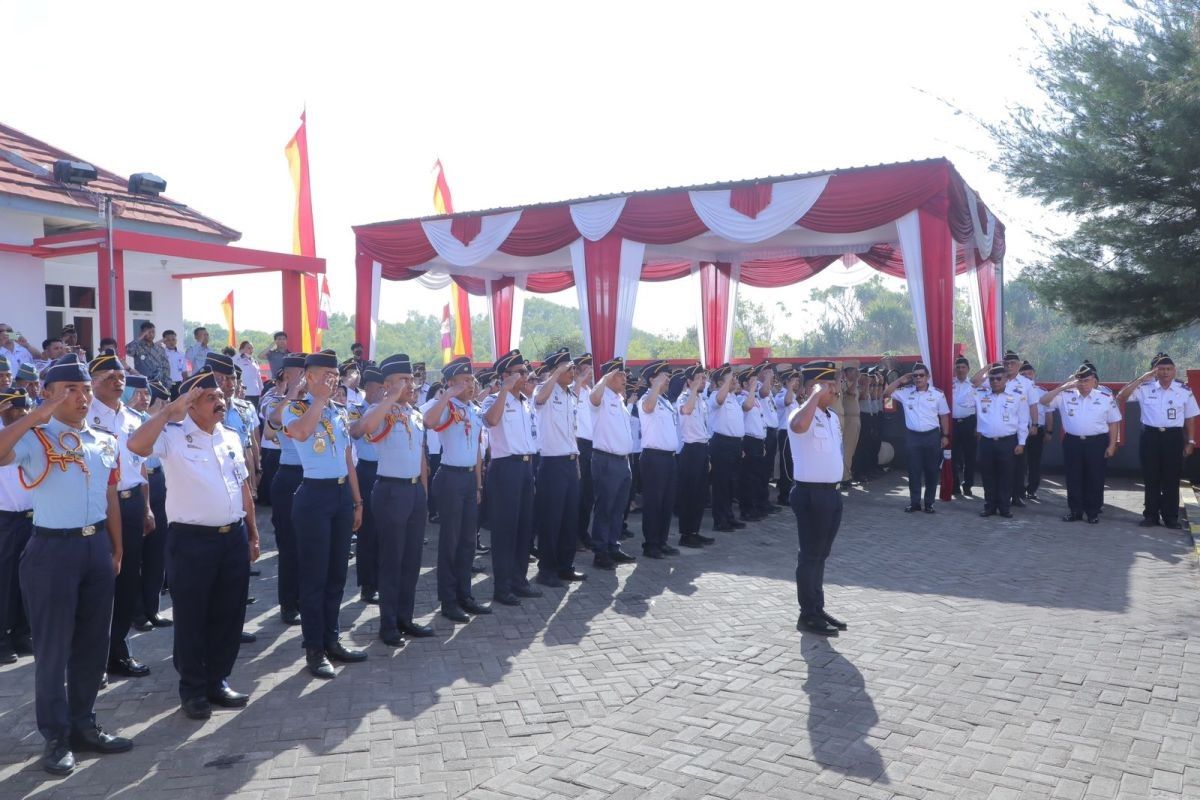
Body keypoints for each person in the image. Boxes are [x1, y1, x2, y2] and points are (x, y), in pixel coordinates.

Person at [0, 354, 133, 775]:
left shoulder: (102, 440)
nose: (82, 397)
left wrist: (116, 548)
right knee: (53, 650)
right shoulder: (34, 438)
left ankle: (83, 723)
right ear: (50, 396)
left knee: (93, 644)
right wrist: (38, 414)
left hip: (94, 549)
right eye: (70, 391)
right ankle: (55, 737)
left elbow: (111, 495)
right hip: (51, 551)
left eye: (85, 390)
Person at [127, 368, 260, 720]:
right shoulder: (171, 436)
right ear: (190, 405)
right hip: (191, 542)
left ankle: (218, 679)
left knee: (229, 614)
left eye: (220, 396)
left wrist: (252, 531)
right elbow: (136, 445)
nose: (220, 402)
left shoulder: (229, 435)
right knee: (192, 618)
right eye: (210, 398)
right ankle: (193, 688)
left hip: (231, 537)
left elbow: (242, 485)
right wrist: (169, 411)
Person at [281, 351, 366, 679]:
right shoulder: (296, 408)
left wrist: (357, 501)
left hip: (342, 494)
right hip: (313, 495)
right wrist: (317, 398)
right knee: (314, 577)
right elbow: (301, 433)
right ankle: (314, 649)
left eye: (335, 374)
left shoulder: (339, 412)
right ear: (309, 377)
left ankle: (332, 639)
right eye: (326, 375)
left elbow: (348, 458)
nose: (333, 380)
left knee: (337, 574)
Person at [351, 354, 433, 646]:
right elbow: (360, 430)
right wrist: (390, 398)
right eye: (404, 380)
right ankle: (387, 625)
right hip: (390, 491)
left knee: (411, 560)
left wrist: (423, 491)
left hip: (413, 492)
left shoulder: (415, 413)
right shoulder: (379, 409)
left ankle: (405, 618)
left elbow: (421, 457)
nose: (410, 384)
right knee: (392, 560)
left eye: (411, 379)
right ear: (387, 384)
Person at [87, 351, 154, 678]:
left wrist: (147, 507)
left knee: (128, 580)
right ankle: (94, 658)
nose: (117, 382)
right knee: (100, 584)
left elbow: (140, 467)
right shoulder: (84, 415)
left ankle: (118, 650)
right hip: (96, 507)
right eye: (109, 378)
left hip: (129, 504)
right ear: (94, 382)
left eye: (120, 377)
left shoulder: (132, 417)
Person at [425, 356, 492, 623]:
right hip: (450, 478)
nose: (471, 384)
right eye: (465, 380)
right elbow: (429, 421)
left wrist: (478, 484)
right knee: (450, 542)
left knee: (467, 541)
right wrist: (447, 394)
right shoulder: (445, 406)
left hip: (467, 480)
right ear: (451, 383)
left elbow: (476, 449)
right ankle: (448, 600)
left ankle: (465, 594)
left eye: (472, 379)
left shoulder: (473, 409)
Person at [788, 361, 846, 637]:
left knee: (821, 556)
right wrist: (814, 394)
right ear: (815, 387)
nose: (836, 389)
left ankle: (817, 607)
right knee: (810, 556)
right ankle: (807, 614)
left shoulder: (831, 416)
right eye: (829, 385)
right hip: (810, 494)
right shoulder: (800, 413)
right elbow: (799, 426)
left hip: (831, 493)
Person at [481, 349, 541, 606]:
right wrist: (504, 390)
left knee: (524, 528)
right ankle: (502, 587)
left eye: (527, 371)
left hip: (527, 468)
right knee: (505, 531)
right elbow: (491, 421)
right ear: (506, 375)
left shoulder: (526, 402)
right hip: (505, 468)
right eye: (521, 372)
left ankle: (519, 580)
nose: (527, 376)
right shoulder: (494, 400)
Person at [1116, 352, 1198, 528]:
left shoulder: (1183, 390)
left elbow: (1190, 417)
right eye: (1161, 369)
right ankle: (1151, 516)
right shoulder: (1145, 388)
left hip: (1173, 437)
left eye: (1169, 369)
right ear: (1155, 371)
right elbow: (1121, 396)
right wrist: (1141, 379)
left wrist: (1190, 441)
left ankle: (1170, 517)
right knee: (1151, 476)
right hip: (1150, 436)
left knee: (1171, 477)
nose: (1165, 372)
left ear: (1174, 371)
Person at [1040, 363, 1121, 524]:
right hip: (1073, 442)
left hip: (1097, 442)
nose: (1084, 385)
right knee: (1073, 477)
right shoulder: (1066, 395)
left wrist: (1112, 445)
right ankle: (1075, 511)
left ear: (1094, 381)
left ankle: (1092, 512)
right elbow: (1043, 401)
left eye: (1087, 381)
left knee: (1095, 477)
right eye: (1080, 381)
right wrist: (1063, 386)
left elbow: (1114, 422)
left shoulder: (1104, 397)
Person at [532, 348, 585, 586]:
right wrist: (554, 375)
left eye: (573, 368)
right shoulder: (544, 390)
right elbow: (539, 400)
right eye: (569, 368)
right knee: (551, 520)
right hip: (551, 464)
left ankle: (566, 565)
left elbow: (572, 432)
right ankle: (547, 570)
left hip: (569, 462)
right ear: (556, 370)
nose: (573, 372)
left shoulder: (570, 396)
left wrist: (577, 461)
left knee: (569, 519)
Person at [264, 353, 307, 624]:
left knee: (311, 545)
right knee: (289, 545)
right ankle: (289, 603)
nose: (305, 378)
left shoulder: (318, 404)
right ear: (286, 375)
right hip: (290, 476)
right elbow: (271, 428)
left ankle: (308, 598)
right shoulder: (276, 401)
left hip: (314, 478)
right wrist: (291, 393)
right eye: (299, 373)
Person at [588, 357, 637, 570]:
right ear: (608, 377)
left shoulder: (618, 398)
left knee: (618, 508)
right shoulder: (602, 395)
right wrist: (605, 378)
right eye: (619, 373)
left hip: (623, 460)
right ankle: (600, 552)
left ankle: (613, 545)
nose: (624, 377)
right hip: (606, 460)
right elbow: (593, 397)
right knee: (605, 508)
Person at [884, 363, 950, 513]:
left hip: (932, 436)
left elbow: (944, 415)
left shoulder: (937, 394)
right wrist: (900, 380)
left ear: (928, 377)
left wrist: (945, 435)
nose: (918, 378)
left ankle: (929, 503)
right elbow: (886, 394)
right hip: (913, 436)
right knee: (914, 471)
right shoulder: (906, 392)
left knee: (932, 470)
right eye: (915, 375)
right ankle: (915, 502)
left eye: (921, 375)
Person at [133, 379, 172, 631]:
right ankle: (137, 612)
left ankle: (152, 607)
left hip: (159, 482)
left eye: (149, 394)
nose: (145, 398)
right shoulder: (132, 421)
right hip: (138, 485)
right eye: (142, 393)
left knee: (157, 551)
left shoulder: (165, 425)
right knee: (137, 553)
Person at [0, 388, 34, 664]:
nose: (24, 416)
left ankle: (22, 634)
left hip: (31, 518)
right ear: (5, 410)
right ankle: (2, 639)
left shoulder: (30, 436)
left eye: (26, 412)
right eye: (18, 412)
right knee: (4, 583)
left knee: (25, 582)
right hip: (5, 520)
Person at [637, 360, 681, 559]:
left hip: (669, 458)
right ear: (652, 379)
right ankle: (651, 544)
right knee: (654, 502)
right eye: (664, 376)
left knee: (667, 502)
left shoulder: (665, 401)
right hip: (654, 458)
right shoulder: (647, 398)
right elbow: (647, 407)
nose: (668, 379)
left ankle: (662, 541)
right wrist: (655, 385)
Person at [347, 365, 383, 603]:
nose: (383, 391)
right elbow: (356, 434)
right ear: (368, 387)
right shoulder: (356, 409)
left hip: (387, 471)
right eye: (380, 387)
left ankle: (383, 579)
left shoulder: (390, 409)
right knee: (368, 532)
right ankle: (368, 584)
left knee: (385, 531)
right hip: (367, 471)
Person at [974, 365, 1029, 518]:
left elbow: (1023, 421)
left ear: (1006, 379)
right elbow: (969, 388)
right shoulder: (980, 395)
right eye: (992, 379)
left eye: (999, 378)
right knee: (987, 475)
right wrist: (986, 370)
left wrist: (1021, 442)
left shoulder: (1017, 396)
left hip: (1008, 441)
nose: (995, 381)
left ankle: (1004, 507)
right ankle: (989, 506)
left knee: (1006, 476)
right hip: (987, 442)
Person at [676, 364, 715, 549]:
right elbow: (687, 410)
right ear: (690, 381)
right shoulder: (684, 398)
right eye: (699, 378)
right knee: (689, 495)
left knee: (700, 495)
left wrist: (707, 455)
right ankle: (685, 534)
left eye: (704, 378)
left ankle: (695, 531)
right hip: (689, 450)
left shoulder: (702, 400)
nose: (703, 381)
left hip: (702, 448)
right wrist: (693, 389)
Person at [708, 364, 748, 532]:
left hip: (735, 444)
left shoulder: (733, 398)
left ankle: (729, 516)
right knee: (721, 484)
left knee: (732, 483)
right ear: (719, 382)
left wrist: (740, 444)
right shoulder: (716, 395)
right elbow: (719, 401)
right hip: (721, 444)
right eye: (730, 378)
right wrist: (725, 381)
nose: (734, 381)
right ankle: (720, 520)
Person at [738, 366, 769, 522]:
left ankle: (755, 506)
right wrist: (751, 389)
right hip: (748, 440)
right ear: (744, 384)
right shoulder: (742, 397)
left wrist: (763, 442)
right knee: (747, 478)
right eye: (751, 380)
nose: (755, 383)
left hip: (758, 440)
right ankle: (747, 509)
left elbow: (761, 420)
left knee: (757, 476)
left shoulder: (755, 398)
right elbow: (747, 407)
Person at [1018, 360, 1052, 501]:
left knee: (1034, 462)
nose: (1027, 376)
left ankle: (1032, 489)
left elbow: (1049, 413)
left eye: (1029, 373)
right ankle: (1018, 490)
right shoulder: (1016, 390)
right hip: (1020, 430)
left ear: (1034, 374)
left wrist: (1049, 432)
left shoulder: (1042, 392)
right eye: (1023, 374)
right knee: (1019, 462)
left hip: (1037, 431)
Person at [571, 355, 595, 549]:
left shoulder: (591, 392)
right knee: (577, 494)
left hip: (591, 445)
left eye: (591, 370)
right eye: (586, 369)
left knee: (588, 494)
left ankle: (583, 531)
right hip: (577, 443)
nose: (590, 373)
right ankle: (574, 535)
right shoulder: (573, 389)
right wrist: (578, 381)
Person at [950, 355, 978, 497]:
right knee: (952, 457)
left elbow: (980, 407)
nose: (960, 370)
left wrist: (978, 427)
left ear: (968, 369)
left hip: (969, 423)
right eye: (958, 367)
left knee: (970, 457)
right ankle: (954, 485)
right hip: (953, 424)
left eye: (963, 367)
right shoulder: (949, 384)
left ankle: (968, 485)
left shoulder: (974, 385)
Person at [839, 363, 862, 485]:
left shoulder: (855, 385)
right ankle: (844, 478)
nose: (856, 373)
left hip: (856, 418)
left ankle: (847, 474)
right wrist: (857, 379)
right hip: (848, 419)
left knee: (851, 449)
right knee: (847, 449)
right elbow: (851, 393)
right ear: (846, 373)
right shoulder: (844, 384)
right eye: (853, 371)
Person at [233, 341, 263, 409]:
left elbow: (258, 377)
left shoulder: (254, 361)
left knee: (254, 414)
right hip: (244, 393)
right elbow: (231, 361)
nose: (251, 350)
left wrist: (262, 390)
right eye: (248, 348)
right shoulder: (238, 360)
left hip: (255, 393)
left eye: (252, 348)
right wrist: (240, 354)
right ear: (242, 349)